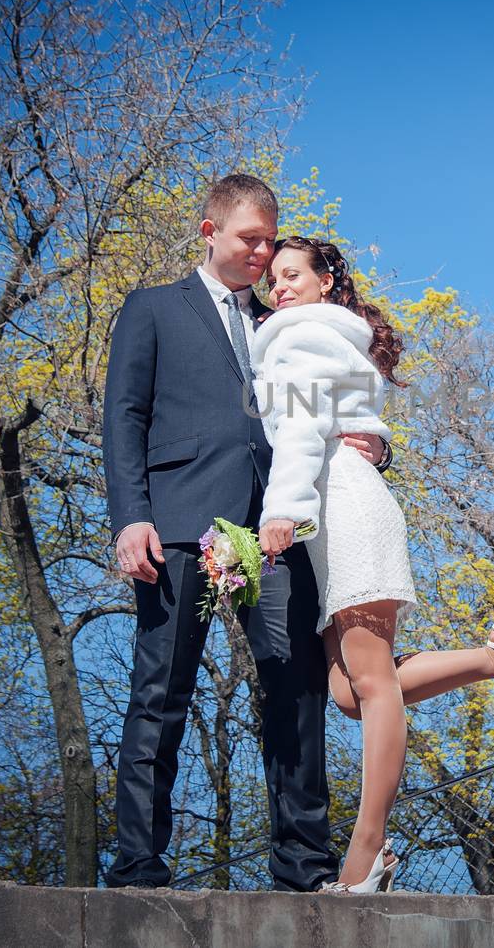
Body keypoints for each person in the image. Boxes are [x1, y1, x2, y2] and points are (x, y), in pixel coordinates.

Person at [253, 236, 494, 893]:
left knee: (371, 688)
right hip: (339, 511)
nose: (279, 287)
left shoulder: (302, 332)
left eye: (293, 274)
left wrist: (278, 511)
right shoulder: (320, 331)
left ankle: (368, 854)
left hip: (340, 506)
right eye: (273, 279)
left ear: (325, 283)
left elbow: (300, 426)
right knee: (350, 692)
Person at [101, 175, 392, 891]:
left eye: (271, 239)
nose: (264, 253)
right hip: (177, 521)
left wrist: (375, 444)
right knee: (160, 691)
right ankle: (139, 865)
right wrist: (130, 516)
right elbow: (124, 416)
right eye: (250, 239)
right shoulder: (153, 310)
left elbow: (332, 404)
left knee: (297, 688)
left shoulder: (284, 322)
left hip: (273, 530)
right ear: (210, 232)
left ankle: (304, 866)